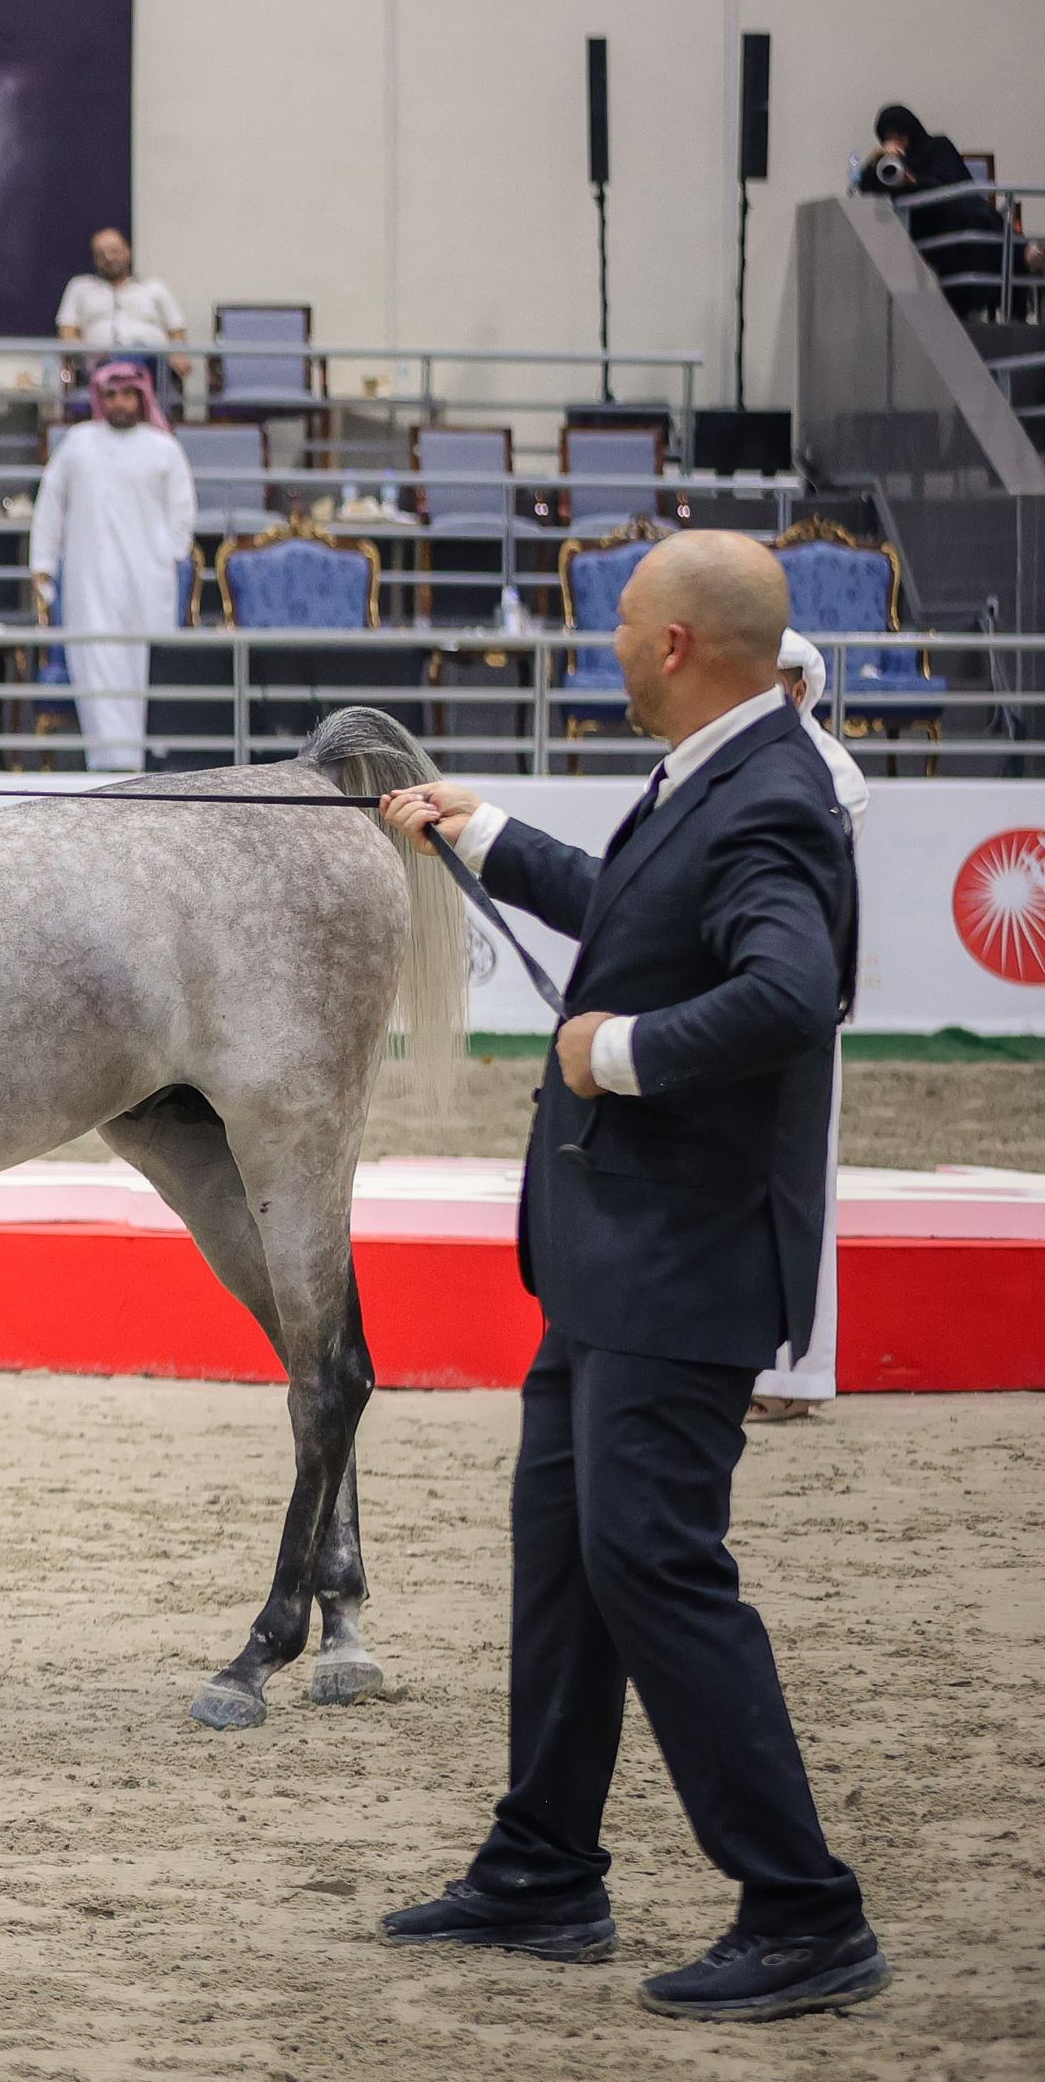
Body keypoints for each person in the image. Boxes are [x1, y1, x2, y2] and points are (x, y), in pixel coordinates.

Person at [371, 531, 887, 2023]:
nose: (604, 646)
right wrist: (482, 833)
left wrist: (624, 1052)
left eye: (620, 626)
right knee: (568, 1557)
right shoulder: (722, 771)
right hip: (618, 1255)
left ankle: (804, 1911)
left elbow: (791, 991)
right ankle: (543, 1866)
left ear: (675, 645)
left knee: (654, 1561)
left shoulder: (772, 795)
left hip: (683, 1259)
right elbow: (637, 909)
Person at [753, 629, 866, 1424]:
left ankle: (795, 1374)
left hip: (796, 1006)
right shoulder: (715, 759)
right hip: (729, 1004)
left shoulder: (833, 776)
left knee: (797, 1189)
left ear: (798, 687)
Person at [27, 360, 195, 773]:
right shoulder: (78, 443)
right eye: (112, 395)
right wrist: (43, 564)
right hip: (89, 580)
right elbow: (50, 506)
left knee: (145, 669)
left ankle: (148, 770)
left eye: (128, 394)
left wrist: (167, 556)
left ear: (142, 397)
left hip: (147, 583)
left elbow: (183, 513)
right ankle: (108, 767)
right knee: (96, 666)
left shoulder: (163, 448)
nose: (120, 402)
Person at [860, 104, 1012, 315]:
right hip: (921, 237)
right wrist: (875, 160)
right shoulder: (889, 161)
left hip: (955, 228)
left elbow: (950, 186)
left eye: (901, 135)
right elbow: (866, 191)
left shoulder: (937, 147)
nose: (897, 141)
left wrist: (913, 182)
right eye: (889, 137)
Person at [55, 226, 188, 401]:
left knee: (142, 355)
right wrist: (81, 351)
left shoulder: (155, 288)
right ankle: (126, 379)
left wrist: (178, 354)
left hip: (152, 364)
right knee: (113, 362)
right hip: (100, 364)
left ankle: (127, 376)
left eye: (114, 251)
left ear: (128, 252)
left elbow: (176, 330)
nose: (109, 258)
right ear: (95, 259)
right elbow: (67, 331)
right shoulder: (79, 287)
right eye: (101, 254)